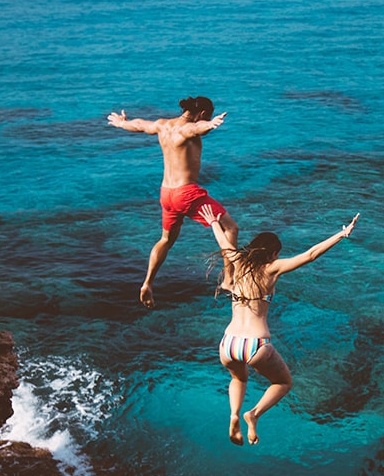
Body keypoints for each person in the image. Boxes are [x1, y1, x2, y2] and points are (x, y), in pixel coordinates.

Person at [199, 204, 360, 445]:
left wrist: (213, 222)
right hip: (255, 344)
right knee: (283, 382)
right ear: (273, 254)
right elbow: (310, 255)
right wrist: (341, 234)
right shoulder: (272, 269)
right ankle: (252, 414)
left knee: (239, 379)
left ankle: (233, 415)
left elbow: (224, 242)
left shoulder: (238, 261)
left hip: (228, 343)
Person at [107, 96, 238, 308]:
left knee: (166, 240)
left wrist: (122, 123)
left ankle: (148, 283)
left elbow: (140, 125)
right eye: (209, 116)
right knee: (231, 227)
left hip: (166, 194)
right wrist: (210, 126)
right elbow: (196, 130)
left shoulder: (163, 125)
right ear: (203, 113)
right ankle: (228, 280)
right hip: (186, 193)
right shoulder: (188, 128)